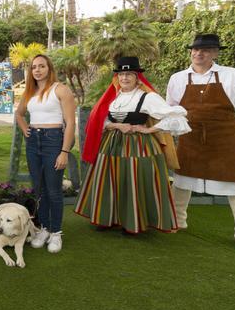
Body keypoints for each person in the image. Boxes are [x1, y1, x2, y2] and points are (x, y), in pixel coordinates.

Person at [165, 34, 235, 254]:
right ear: (191, 52)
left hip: (226, 139)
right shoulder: (178, 78)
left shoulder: (232, 75)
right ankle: (178, 221)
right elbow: (171, 109)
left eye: (206, 50)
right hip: (190, 139)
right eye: (196, 50)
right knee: (181, 181)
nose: (199, 53)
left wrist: (229, 129)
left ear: (215, 53)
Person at [75, 56, 191, 234]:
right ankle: (108, 218)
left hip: (139, 146)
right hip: (111, 145)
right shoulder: (113, 96)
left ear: (137, 77)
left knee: (133, 180)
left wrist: (149, 130)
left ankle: (132, 221)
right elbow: (102, 120)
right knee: (110, 180)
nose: (125, 78)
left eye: (129, 74)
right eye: (121, 74)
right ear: (117, 77)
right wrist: (117, 125)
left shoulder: (147, 97)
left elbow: (177, 117)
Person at [14, 54, 76, 253]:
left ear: (49, 68)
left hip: (53, 140)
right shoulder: (30, 92)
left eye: (42, 66)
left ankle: (56, 233)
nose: (38, 70)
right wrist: (25, 128)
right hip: (34, 143)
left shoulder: (60, 89)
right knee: (39, 188)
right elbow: (19, 113)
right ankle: (44, 229)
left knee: (53, 190)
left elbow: (70, 123)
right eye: (34, 67)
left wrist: (64, 151)